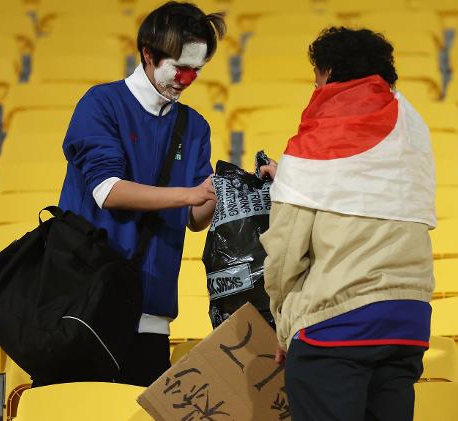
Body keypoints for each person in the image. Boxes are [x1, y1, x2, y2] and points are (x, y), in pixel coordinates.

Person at [259, 27, 436, 421]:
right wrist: (289, 178)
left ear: (330, 73)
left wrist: (285, 323)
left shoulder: (321, 133)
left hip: (336, 326)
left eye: (317, 78)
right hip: (407, 322)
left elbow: (285, 252)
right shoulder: (412, 127)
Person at [58, 2, 225, 387]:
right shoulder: (101, 103)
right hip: (85, 301)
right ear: (148, 55)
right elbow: (108, 191)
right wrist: (188, 194)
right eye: (178, 67)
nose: (185, 79)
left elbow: (195, 219)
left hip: (152, 305)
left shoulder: (195, 126)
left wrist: (217, 194)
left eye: (196, 71)